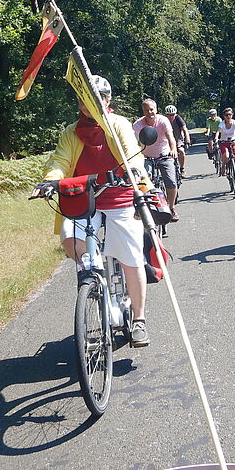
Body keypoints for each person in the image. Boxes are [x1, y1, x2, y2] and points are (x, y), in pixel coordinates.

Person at [30, 76, 151, 346]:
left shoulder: (118, 124)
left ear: (107, 99)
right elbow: (60, 160)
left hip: (119, 195)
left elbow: (131, 151)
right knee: (70, 236)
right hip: (84, 198)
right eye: (84, 98)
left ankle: (139, 319)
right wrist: (50, 180)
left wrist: (133, 169)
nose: (89, 104)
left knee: (132, 256)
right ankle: (94, 277)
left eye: (97, 98)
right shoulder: (71, 132)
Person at [134, 99, 180, 222]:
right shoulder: (138, 125)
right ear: (143, 111)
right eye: (146, 110)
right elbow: (133, 143)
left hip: (164, 155)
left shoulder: (163, 120)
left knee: (171, 182)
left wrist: (173, 149)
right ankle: (145, 208)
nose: (149, 112)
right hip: (146, 157)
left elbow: (170, 137)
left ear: (156, 109)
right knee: (142, 182)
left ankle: (171, 208)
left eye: (152, 109)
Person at [213, 107, 235, 184]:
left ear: (232, 115)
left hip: (233, 142)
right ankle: (223, 166)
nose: (228, 116)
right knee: (226, 156)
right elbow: (218, 131)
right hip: (224, 143)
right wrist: (216, 138)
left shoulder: (234, 122)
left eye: (230, 114)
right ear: (224, 116)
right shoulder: (222, 124)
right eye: (226, 115)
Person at [164, 104, 191, 174]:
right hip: (166, 140)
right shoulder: (163, 120)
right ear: (165, 115)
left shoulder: (178, 119)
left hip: (178, 138)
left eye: (173, 115)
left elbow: (185, 129)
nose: (171, 117)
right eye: (169, 115)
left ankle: (182, 168)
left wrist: (187, 139)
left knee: (181, 151)